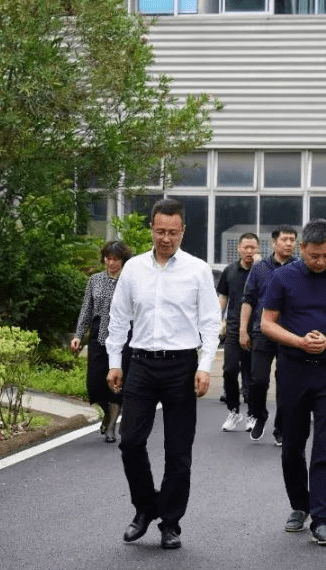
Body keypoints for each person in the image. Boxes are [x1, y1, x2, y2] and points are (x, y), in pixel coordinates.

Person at [107, 198, 220, 551]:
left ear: (183, 231)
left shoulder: (197, 270)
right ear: (151, 229)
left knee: (178, 450)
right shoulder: (134, 269)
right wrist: (114, 361)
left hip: (181, 367)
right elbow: (118, 317)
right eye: (160, 231)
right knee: (130, 441)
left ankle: (170, 522)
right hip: (141, 363)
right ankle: (145, 507)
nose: (166, 238)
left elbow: (210, 323)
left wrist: (205, 366)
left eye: (173, 232)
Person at [261, 219, 326, 546]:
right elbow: (267, 323)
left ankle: (323, 519)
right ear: (302, 248)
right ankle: (299, 505)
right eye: (315, 255)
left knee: (325, 444)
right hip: (293, 369)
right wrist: (299, 341)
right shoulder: (282, 277)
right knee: (292, 444)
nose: (321, 262)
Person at [71, 241, 133, 443]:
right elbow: (86, 309)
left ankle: (112, 427)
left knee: (116, 383)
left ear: (123, 260)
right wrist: (78, 335)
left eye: (116, 259)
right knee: (95, 383)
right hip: (98, 335)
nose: (111, 263)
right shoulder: (95, 280)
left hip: (123, 337)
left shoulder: (130, 281)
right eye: (108, 258)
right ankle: (107, 414)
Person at [240, 226, 297, 444]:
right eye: (285, 239)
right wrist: (243, 330)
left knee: (285, 383)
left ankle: (280, 427)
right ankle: (260, 415)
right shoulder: (260, 268)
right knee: (258, 380)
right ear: (274, 243)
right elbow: (248, 300)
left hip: (289, 334)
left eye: (292, 239)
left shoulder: (299, 268)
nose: (289, 243)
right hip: (262, 331)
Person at [218, 232, 258, 433]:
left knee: (252, 374)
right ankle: (233, 410)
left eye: (253, 247)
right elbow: (223, 297)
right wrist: (219, 320)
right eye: (246, 247)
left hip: (256, 329)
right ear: (239, 249)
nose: (249, 251)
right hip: (233, 328)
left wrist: (258, 267)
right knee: (229, 370)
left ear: (258, 249)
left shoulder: (262, 271)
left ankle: (252, 413)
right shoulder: (229, 270)